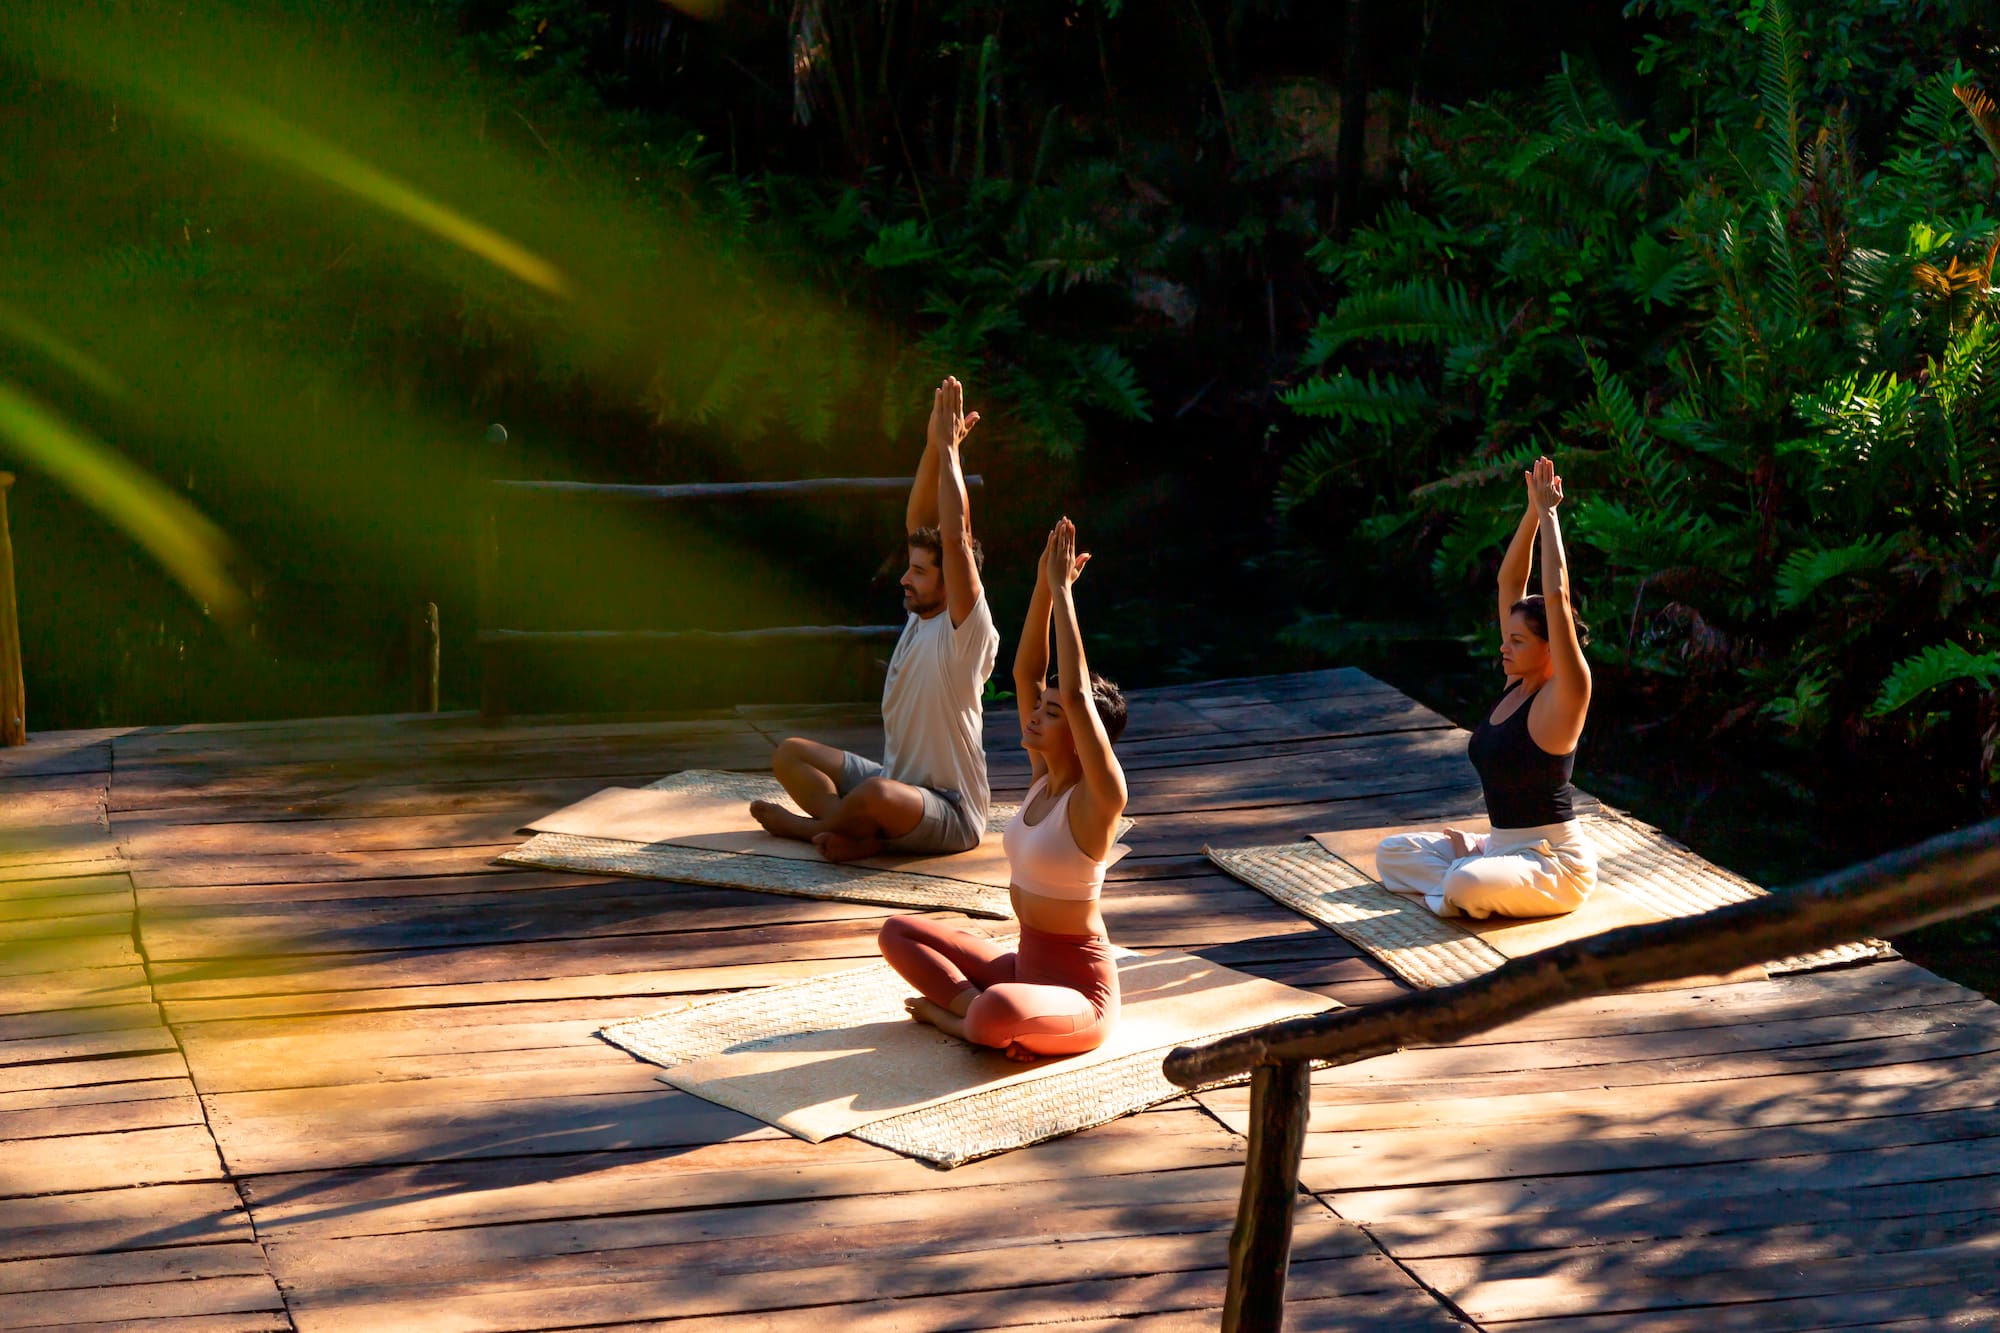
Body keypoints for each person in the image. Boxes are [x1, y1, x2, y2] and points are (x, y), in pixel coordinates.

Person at [879, 517, 1130, 1061]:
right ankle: (978, 1015)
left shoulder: (1099, 800)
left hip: (1080, 994)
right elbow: (1025, 673)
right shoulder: (1045, 779)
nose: (1035, 714)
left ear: (1086, 737)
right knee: (897, 932)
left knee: (997, 1012)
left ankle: (968, 1017)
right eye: (1041, 707)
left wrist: (1065, 596)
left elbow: (1081, 697)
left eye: (1052, 713)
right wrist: (1043, 584)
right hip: (1023, 967)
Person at [751, 376, 1001, 862]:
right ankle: (858, 834)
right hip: (897, 784)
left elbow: (954, 536)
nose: (904, 580)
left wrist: (952, 454)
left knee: (875, 797)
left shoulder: (965, 629)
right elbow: (921, 522)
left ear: (951, 579)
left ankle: (809, 829)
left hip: (951, 813)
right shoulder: (920, 614)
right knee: (790, 754)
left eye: (918, 573)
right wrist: (933, 447)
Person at [1375, 456, 1598, 918]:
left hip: (1553, 863)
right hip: (1498, 847)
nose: (1504, 648)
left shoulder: (1567, 693)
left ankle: (1466, 877)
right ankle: (1473, 866)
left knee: (1466, 882)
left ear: (1551, 646)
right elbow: (1508, 581)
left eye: (1517, 641)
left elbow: (1555, 596)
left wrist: (1552, 517)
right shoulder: (1516, 679)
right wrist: (1532, 512)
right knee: (1391, 853)